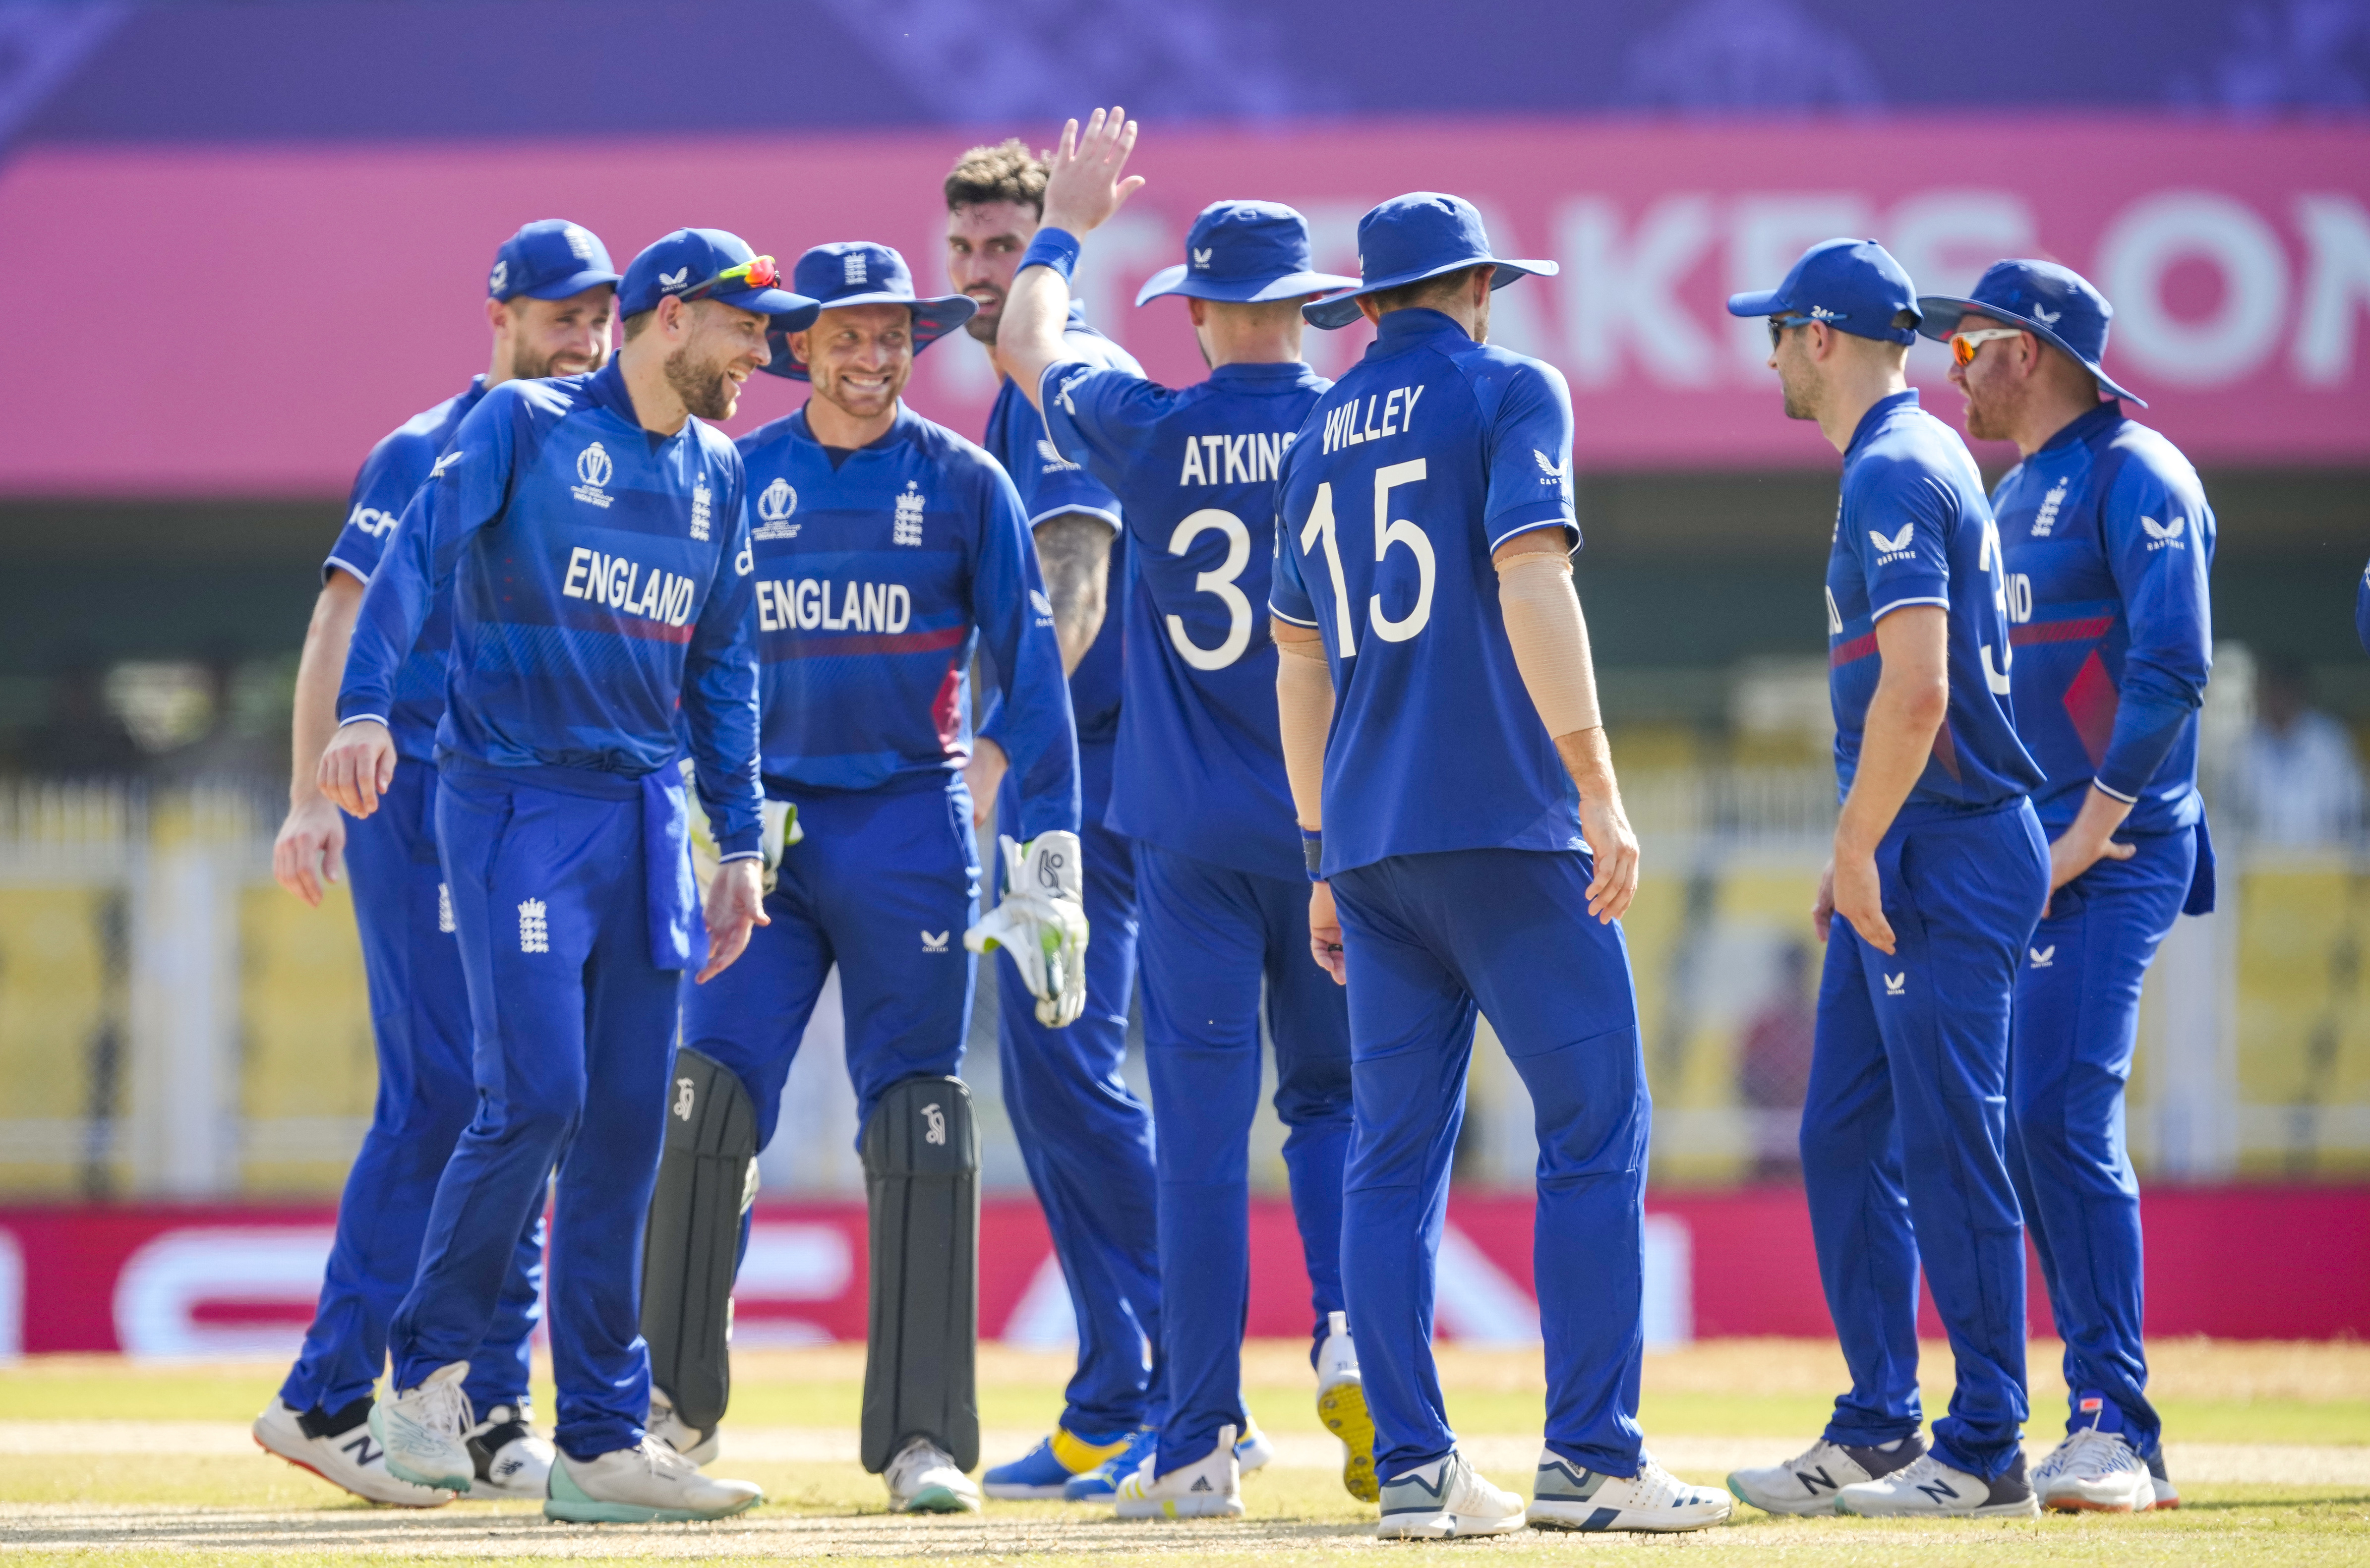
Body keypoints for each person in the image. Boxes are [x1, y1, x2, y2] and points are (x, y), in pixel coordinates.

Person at [319, 227, 807, 1524]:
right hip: (516, 799)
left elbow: (724, 669)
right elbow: (412, 563)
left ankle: (599, 1438)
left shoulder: (715, 471)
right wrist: (363, 712)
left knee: (626, 1134)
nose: (766, 351)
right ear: (666, 321)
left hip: (645, 815)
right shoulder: (521, 425)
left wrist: (740, 842)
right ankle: (424, 1378)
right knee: (533, 1099)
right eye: (745, 328)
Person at [1272, 191, 1730, 1538]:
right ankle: (1589, 1456)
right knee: (1594, 1126)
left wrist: (1316, 853)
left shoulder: (1314, 434)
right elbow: (1531, 577)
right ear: (1476, 286)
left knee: (1388, 1161)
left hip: (1364, 840)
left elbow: (1296, 663)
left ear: (1366, 306)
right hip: (1502, 820)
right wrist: (1597, 782)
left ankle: (1415, 1471)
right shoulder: (1512, 388)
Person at [642, 240, 1083, 1515]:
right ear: (799, 346)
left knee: (919, 1115)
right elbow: (678, 652)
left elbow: (1033, 661)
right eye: (846, 333)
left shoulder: (963, 479)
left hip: (906, 825)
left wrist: (1014, 826)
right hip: (762, 834)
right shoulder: (734, 475)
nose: (874, 354)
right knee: (708, 1098)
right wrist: (699, 804)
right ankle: (671, 1410)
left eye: (894, 333)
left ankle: (922, 1438)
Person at [995, 109, 1368, 1519]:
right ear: (1306, 310)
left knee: (1202, 1141)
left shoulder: (1145, 427)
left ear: (1201, 311)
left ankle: (1199, 1435)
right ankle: (1348, 1329)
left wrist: (1067, 223)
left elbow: (1032, 338)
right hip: (1335, 833)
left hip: (1189, 838)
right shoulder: (1353, 431)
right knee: (1334, 1104)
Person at [254, 219, 617, 1507]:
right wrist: (309, 800)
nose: (581, 339)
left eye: (599, 316)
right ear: (500, 314)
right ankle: (329, 1392)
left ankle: (481, 1401)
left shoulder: (592, 463)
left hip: (523, 804)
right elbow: (339, 615)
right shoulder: (427, 447)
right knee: (445, 1094)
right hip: (410, 791)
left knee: (523, 1092)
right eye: (558, 315)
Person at [1724, 239, 2050, 1520]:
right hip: (1913, 841)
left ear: (1818, 336)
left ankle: (1982, 1445)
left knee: (1946, 1141)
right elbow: (1903, 697)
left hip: (1948, 848)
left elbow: (1918, 692)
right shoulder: (1900, 462)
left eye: (1774, 331)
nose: (1765, 355)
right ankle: (1873, 1424)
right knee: (1843, 1128)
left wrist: (1859, 842)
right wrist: (1849, 842)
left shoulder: (1893, 469)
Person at [1921, 257, 2216, 1513]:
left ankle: (2117, 1425)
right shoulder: (2013, 486)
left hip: (2110, 851)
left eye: (1964, 349)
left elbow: (2170, 667)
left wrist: (2089, 828)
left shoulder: (2134, 471)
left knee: (2053, 1112)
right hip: (2026, 855)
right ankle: (2065, 1412)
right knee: (2018, 1125)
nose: (1955, 375)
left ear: (2023, 352)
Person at [944, 136, 1184, 1502]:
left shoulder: (1057, 389)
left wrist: (988, 761)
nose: (980, 274)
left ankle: (1183, 1390)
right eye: (965, 249)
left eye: (1003, 249)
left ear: (1049, 249)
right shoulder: (1015, 401)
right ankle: (1114, 1393)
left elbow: (1075, 593)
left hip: (1084, 797)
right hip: (1063, 791)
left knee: (1080, 1081)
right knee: (1051, 1084)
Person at [2228, 653, 2363, 846]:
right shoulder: (2245, 747)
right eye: (2272, 689)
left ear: (2299, 692)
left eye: (2284, 689)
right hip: (2261, 866)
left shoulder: (2330, 741)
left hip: (2324, 865)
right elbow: (2232, 819)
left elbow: (2353, 810)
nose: (2278, 698)